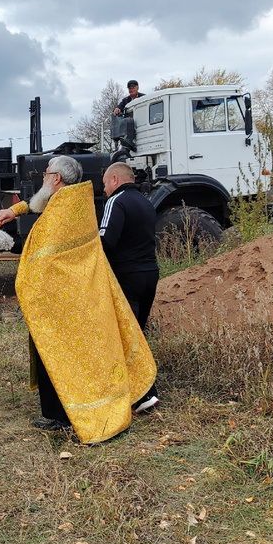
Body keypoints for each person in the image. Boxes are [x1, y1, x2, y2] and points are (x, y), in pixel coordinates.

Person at [0, 156, 156, 442]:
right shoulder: (77, 203)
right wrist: (15, 210)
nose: (43, 178)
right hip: (84, 298)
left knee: (57, 353)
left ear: (56, 179)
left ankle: (58, 416)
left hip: (60, 304)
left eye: (46, 174)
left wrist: (26, 279)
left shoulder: (60, 213)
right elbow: (38, 205)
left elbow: (42, 260)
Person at [99, 162, 161, 412]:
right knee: (138, 333)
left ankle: (143, 393)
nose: (104, 190)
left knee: (125, 336)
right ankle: (143, 388)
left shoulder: (117, 201)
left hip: (127, 276)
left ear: (114, 179)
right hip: (150, 273)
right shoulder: (146, 202)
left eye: (104, 184)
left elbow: (105, 241)